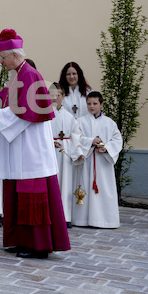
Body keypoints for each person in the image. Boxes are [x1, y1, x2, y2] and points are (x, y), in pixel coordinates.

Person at [0, 28, 70, 259]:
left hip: (31, 147)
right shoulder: (17, 76)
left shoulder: (29, 74)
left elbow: (27, 110)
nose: (0, 62)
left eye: (2, 57)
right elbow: (7, 106)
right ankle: (21, 240)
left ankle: (37, 245)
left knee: (31, 193)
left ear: (14, 54)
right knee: (17, 194)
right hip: (19, 144)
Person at [72, 91, 122, 228]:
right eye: (89, 104)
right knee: (85, 187)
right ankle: (83, 220)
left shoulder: (109, 123)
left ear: (101, 105)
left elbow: (117, 140)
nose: (92, 106)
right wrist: (90, 141)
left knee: (104, 189)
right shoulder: (80, 121)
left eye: (95, 103)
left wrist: (106, 148)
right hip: (87, 162)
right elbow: (76, 137)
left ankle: (105, 220)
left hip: (103, 163)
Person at [49, 83, 82, 227]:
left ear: (63, 96)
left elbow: (76, 135)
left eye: (58, 95)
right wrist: (50, 142)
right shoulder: (44, 115)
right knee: (52, 184)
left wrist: (78, 152)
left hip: (66, 154)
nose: (55, 98)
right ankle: (50, 216)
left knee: (66, 184)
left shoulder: (69, 117)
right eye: (52, 95)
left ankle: (65, 216)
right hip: (49, 154)